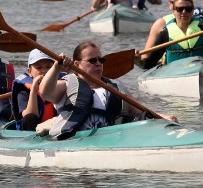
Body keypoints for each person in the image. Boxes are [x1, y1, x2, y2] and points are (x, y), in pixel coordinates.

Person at [39, 41, 178, 140]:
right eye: (92, 61)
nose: (98, 63)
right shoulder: (67, 84)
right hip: (76, 140)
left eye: (101, 60)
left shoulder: (115, 86)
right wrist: (56, 66)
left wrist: (163, 118)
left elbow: (140, 111)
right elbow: (45, 91)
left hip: (111, 138)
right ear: (77, 64)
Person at [139, 0, 203, 69]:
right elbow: (148, 64)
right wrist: (136, 60)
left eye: (188, 9)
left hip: (200, 70)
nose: (184, 12)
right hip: (175, 72)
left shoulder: (202, 30)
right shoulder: (166, 34)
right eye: (180, 9)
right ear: (173, 11)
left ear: (192, 11)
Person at [11, 49, 66, 131]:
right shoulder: (23, 90)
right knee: (30, 117)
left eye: (49, 67)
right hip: (33, 130)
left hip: (55, 126)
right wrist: (33, 90)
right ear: (30, 72)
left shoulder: (61, 84)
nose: (44, 71)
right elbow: (30, 115)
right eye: (39, 67)